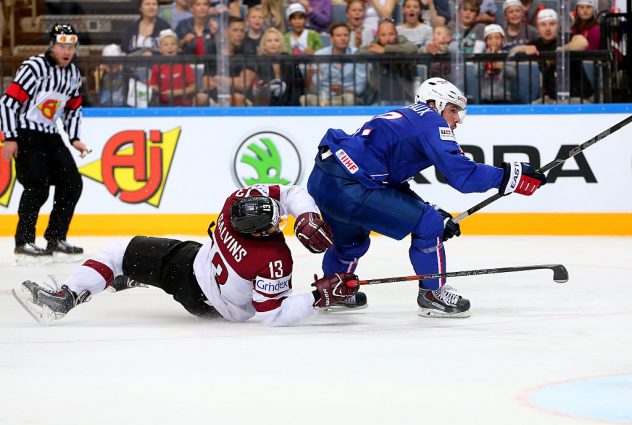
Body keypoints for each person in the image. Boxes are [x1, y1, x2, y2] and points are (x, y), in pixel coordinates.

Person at [306, 77, 547, 317]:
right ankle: (432, 293)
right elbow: (462, 176)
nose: (457, 120)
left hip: (325, 178)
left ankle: (335, 289)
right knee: (429, 223)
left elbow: (388, 182)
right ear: (435, 103)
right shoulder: (431, 120)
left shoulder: (406, 117)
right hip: (351, 187)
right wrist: (508, 176)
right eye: (453, 111)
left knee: (352, 242)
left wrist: (424, 207)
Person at [12, 185, 360, 327]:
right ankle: (72, 297)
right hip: (207, 299)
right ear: (258, 233)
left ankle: (83, 288)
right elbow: (271, 314)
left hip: (195, 263)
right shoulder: (273, 259)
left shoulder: (234, 203)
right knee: (124, 254)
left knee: (120, 252)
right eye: (275, 223)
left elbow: (289, 193)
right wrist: (318, 296)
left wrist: (304, 214)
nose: (280, 222)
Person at [0, 24, 89, 261]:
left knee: (72, 184)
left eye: (71, 46)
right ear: (51, 46)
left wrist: (74, 137)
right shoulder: (34, 67)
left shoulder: (73, 73)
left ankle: (56, 238)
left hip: (50, 133)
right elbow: (8, 102)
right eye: (62, 45)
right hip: (26, 132)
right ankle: (25, 242)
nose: (66, 51)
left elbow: (72, 109)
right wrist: (10, 137)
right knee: (37, 187)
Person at [511, 8, 594, 103]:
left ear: (558, 26)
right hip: (552, 98)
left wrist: (563, 49)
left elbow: (582, 42)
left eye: (552, 24)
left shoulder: (566, 38)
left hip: (579, 96)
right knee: (530, 110)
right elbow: (513, 51)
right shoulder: (536, 43)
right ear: (537, 28)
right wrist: (524, 48)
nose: (547, 28)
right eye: (543, 25)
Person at [301, 22, 367, 106]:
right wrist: (310, 75)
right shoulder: (319, 55)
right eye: (339, 35)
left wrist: (343, 90)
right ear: (331, 38)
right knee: (305, 99)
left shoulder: (357, 55)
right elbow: (313, 89)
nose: (343, 38)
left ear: (350, 38)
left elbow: (360, 85)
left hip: (347, 97)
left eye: (345, 35)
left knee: (349, 98)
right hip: (324, 97)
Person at [356, 19, 417, 105]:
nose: (388, 38)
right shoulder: (376, 44)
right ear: (378, 36)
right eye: (383, 35)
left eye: (391, 34)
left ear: (396, 34)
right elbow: (359, 53)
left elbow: (412, 48)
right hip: (378, 99)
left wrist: (385, 50)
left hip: (405, 97)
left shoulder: (402, 41)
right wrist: (377, 52)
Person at [252, 27, 305, 106]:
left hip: (290, 102)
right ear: (264, 45)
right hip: (267, 104)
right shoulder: (259, 62)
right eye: (269, 41)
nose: (273, 43)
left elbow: (299, 80)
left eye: (276, 40)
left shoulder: (291, 60)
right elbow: (257, 87)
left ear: (281, 44)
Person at [149, 29, 197, 106]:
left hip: (184, 105)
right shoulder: (157, 66)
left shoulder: (184, 65)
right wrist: (153, 90)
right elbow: (154, 85)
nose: (170, 47)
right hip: (163, 105)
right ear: (160, 49)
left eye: (173, 44)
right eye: (166, 45)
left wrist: (175, 93)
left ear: (178, 48)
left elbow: (193, 87)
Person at [478, 24, 516, 103]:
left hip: (504, 96)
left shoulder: (508, 55)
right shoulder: (483, 56)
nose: (494, 41)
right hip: (485, 96)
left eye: (497, 38)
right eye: (490, 38)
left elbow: (513, 74)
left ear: (502, 40)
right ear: (486, 41)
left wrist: (502, 66)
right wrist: (484, 63)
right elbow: (476, 73)